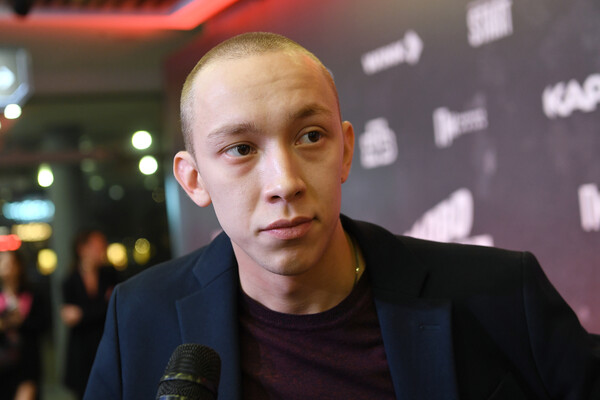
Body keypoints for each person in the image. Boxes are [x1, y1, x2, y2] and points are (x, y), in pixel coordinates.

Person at [84, 32, 600, 399]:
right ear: (194, 179)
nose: (285, 182)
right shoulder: (141, 318)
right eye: (241, 149)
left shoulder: (502, 294)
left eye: (310, 136)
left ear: (346, 151)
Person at [61, 229, 117, 399]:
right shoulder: (70, 280)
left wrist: (83, 314)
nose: (102, 249)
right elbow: (70, 317)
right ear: (82, 249)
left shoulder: (110, 274)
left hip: (106, 344)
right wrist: (102, 306)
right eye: (96, 246)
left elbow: (114, 308)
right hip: (81, 351)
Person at [0, 250, 47, 400]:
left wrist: (21, 321)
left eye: (11, 263)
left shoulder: (33, 294)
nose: (7, 267)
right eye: (3, 263)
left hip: (26, 364)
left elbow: (43, 325)